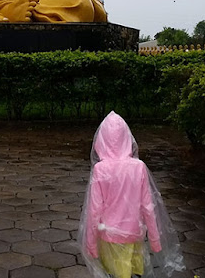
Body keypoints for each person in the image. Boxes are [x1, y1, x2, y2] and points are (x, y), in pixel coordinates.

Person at [78, 111, 184, 278]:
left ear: (101, 140)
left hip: (109, 235)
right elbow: (148, 206)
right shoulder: (138, 167)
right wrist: (155, 239)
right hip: (134, 233)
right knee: (131, 271)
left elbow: (94, 209)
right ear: (127, 138)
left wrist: (90, 242)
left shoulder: (101, 169)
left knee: (114, 271)